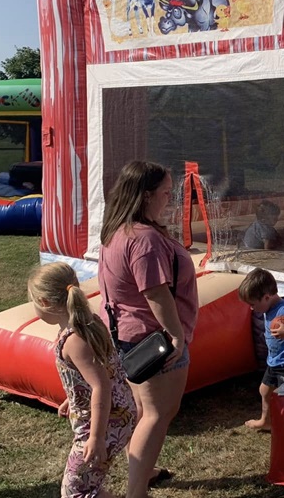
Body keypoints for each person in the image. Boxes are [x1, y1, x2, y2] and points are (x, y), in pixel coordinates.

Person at [97, 161, 199, 497]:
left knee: (143, 408)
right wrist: (176, 335)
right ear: (145, 196)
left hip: (127, 334)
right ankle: (136, 490)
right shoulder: (145, 240)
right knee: (159, 413)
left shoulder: (117, 231)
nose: (170, 199)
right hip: (152, 338)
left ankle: (143, 468)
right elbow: (154, 292)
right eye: (166, 193)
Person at [28, 261, 136, 498]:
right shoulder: (89, 322)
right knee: (86, 487)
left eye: (33, 302)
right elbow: (98, 372)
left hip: (105, 425)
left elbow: (101, 385)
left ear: (45, 303)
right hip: (120, 414)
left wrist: (95, 438)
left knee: (75, 491)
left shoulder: (74, 340)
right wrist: (74, 397)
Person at [237, 268, 284, 431]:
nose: (251, 308)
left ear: (266, 297)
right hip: (275, 361)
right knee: (264, 390)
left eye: (252, 304)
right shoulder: (268, 307)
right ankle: (266, 421)